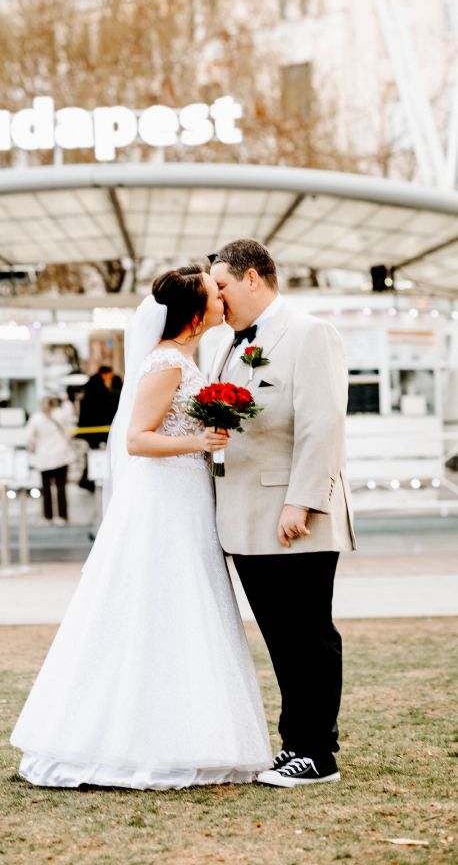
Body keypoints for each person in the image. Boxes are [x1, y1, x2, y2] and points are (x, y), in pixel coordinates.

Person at [10, 265, 272, 789]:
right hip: (165, 498)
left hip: (189, 495)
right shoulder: (166, 361)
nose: (222, 299)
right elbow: (137, 439)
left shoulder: (189, 359)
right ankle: (133, 740)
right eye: (213, 294)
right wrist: (199, 441)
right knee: (160, 600)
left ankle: (195, 731)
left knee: (191, 605)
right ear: (194, 313)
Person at [209, 238, 356, 788]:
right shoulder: (228, 343)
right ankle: (298, 743)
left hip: (294, 517)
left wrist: (303, 500)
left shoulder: (310, 333)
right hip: (246, 519)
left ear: (252, 278)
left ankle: (315, 754)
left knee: (308, 636)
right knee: (281, 638)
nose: (216, 297)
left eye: (222, 285)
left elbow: (323, 422)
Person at [26, 396, 75, 527]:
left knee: (46, 488)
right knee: (61, 487)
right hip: (61, 455)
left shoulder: (36, 418)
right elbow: (70, 430)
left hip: (44, 458)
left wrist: (33, 448)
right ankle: (62, 516)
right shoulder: (60, 414)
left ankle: (48, 516)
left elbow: (29, 437)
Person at [76, 365, 119, 492]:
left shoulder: (91, 386)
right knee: (97, 457)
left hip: (92, 430)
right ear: (105, 374)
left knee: (94, 456)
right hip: (97, 430)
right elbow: (102, 410)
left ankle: (89, 480)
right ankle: (91, 481)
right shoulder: (98, 388)